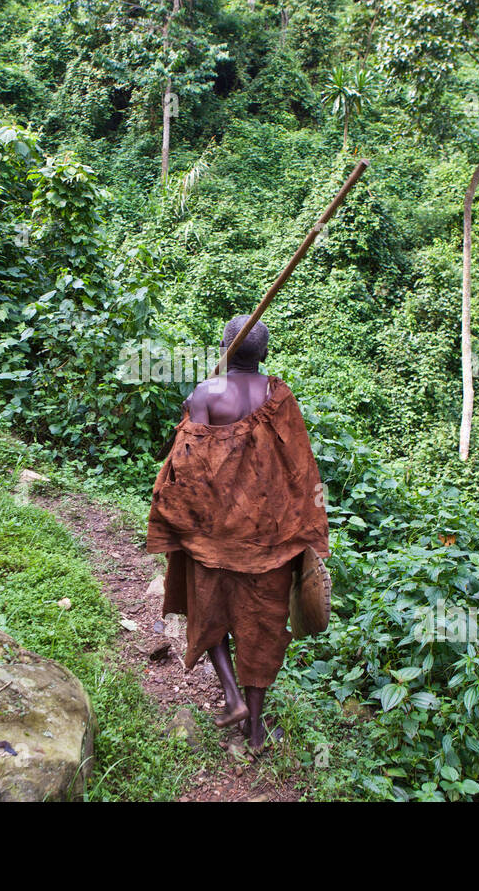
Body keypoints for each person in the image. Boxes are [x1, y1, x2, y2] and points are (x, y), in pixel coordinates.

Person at [146, 315, 330, 751]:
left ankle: (231, 695)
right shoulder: (278, 396)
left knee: (209, 613)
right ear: (263, 354)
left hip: (211, 537)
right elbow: (300, 469)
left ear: (225, 350)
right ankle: (254, 729)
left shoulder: (204, 394)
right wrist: (304, 529)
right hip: (267, 539)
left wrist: (190, 417)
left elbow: (186, 466)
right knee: (262, 628)